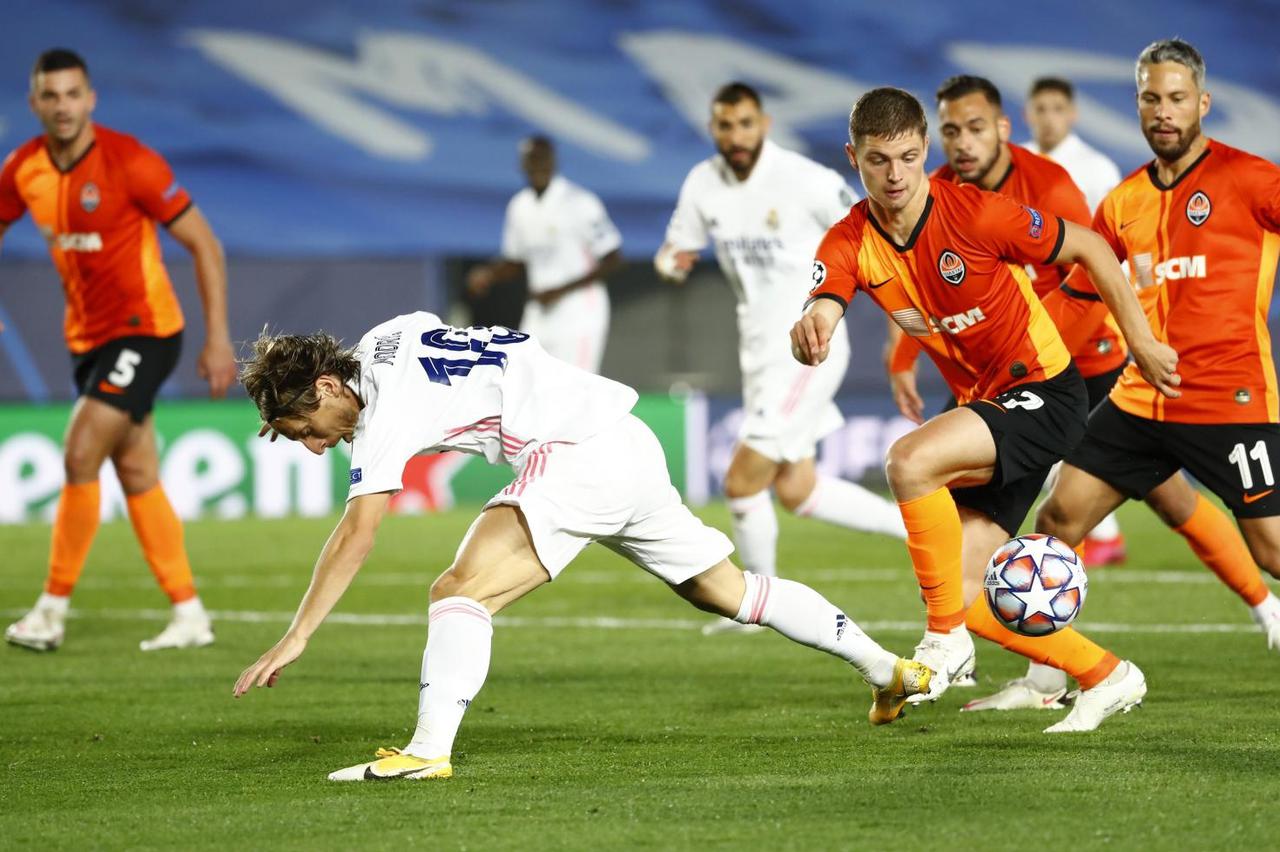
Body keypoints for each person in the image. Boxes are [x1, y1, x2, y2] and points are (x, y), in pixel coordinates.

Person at [232, 312, 932, 781]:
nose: (318, 443)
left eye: (308, 427)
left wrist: (298, 634)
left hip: (576, 452)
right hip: (623, 438)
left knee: (457, 590)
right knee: (731, 591)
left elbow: (359, 530)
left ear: (327, 385)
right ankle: (886, 667)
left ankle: (425, 752)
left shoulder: (382, 409)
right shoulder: (391, 334)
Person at [793, 86, 1180, 733]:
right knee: (967, 593)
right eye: (878, 160)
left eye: (910, 158)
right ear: (852, 157)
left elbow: (1086, 245)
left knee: (909, 461)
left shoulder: (975, 214)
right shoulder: (850, 237)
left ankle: (942, 639)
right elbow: (826, 293)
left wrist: (1139, 338)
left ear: (926, 153)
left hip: (1046, 392)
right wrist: (815, 322)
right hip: (988, 404)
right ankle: (1107, 674)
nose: (895, 175)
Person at [1022, 39, 1280, 701]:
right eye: (1150, 98)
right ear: (1137, 102)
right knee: (1058, 522)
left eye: (1176, 98)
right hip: (1139, 403)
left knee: (1273, 549)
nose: (1163, 111)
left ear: (1203, 103)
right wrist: (1020, 352)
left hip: (1232, 398)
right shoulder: (1122, 202)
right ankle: (1047, 678)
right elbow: (1084, 298)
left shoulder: (1252, 180)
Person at [1, 49, 235, 652]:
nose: (62, 106)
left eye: (72, 94)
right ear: (34, 103)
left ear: (90, 98)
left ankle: (50, 612)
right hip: (87, 340)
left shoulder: (130, 161)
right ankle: (190, 615)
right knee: (135, 470)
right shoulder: (23, 168)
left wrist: (216, 338)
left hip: (147, 330)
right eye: (49, 96)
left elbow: (204, 243)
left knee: (81, 453)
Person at [654, 83, 905, 634]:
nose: (735, 135)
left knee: (742, 482)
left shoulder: (806, 180)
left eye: (745, 123)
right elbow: (677, 247)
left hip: (806, 347)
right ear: (713, 128)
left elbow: (874, 236)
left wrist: (897, 326)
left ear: (763, 123)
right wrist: (673, 260)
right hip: (758, 352)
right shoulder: (703, 183)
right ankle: (921, 530)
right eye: (725, 125)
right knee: (799, 489)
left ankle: (754, 607)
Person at [888, 74, 1129, 568]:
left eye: (975, 128)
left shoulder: (1050, 185)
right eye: (951, 131)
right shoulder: (933, 194)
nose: (963, 142)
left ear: (1002, 127)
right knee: (964, 513)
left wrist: (1047, 355)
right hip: (1003, 369)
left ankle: (1265, 608)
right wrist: (903, 360)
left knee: (1162, 495)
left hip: (1083, 355)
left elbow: (1092, 272)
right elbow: (920, 289)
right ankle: (984, 607)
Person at [467, 136, 622, 374]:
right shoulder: (519, 206)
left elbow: (613, 258)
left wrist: (560, 290)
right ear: (523, 165)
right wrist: (488, 274)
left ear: (553, 161)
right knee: (530, 380)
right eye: (532, 160)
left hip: (580, 310)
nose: (538, 166)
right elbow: (515, 262)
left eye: (543, 159)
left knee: (576, 386)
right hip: (539, 309)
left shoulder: (579, 201)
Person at [1023, 77, 1123, 215]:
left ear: (1073, 114)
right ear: (1027, 115)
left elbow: (1112, 227)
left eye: (1058, 109)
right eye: (1040, 109)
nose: (1048, 119)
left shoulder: (1099, 168)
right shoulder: (1011, 160)